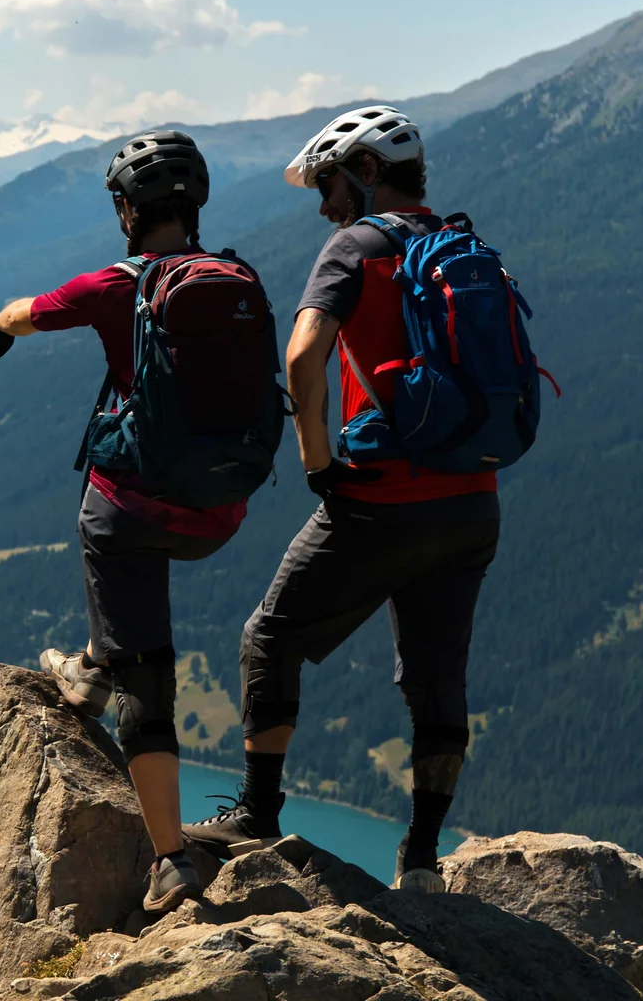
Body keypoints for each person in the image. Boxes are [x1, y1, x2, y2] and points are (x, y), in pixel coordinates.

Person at [181, 106, 501, 893]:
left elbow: (302, 353)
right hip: (472, 505)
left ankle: (256, 814)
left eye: (327, 183)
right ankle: (422, 860)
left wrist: (316, 458)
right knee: (438, 677)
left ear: (362, 172)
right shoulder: (462, 245)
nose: (324, 205)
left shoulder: (355, 246)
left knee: (269, 637)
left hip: (379, 498)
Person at [0, 130, 273, 914]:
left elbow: (26, 312)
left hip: (134, 515)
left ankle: (170, 857)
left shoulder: (118, 285)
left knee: (147, 660)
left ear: (127, 210)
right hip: (220, 512)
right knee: (131, 550)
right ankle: (98, 663)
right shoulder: (237, 278)